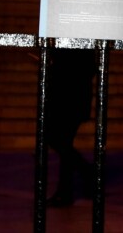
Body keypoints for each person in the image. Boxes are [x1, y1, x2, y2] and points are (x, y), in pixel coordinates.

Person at [45, 48, 96, 207]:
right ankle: (84, 175)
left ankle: (72, 185)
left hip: (70, 96)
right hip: (69, 96)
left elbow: (87, 68)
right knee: (61, 142)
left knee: (58, 140)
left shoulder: (80, 42)